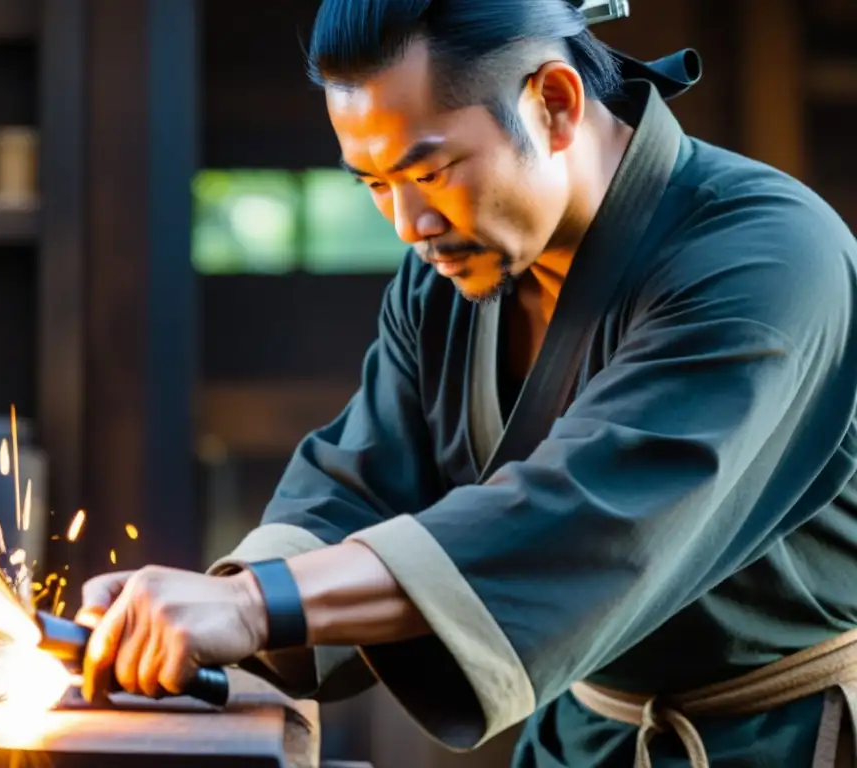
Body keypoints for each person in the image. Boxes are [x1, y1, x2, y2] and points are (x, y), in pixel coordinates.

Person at [73, 1, 857, 765]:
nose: (409, 224)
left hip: (790, 736)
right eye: (374, 184)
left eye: (431, 169)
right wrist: (212, 601)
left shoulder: (770, 257)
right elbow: (359, 483)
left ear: (554, 103)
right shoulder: (449, 283)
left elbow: (584, 517)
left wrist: (251, 609)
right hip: (587, 741)